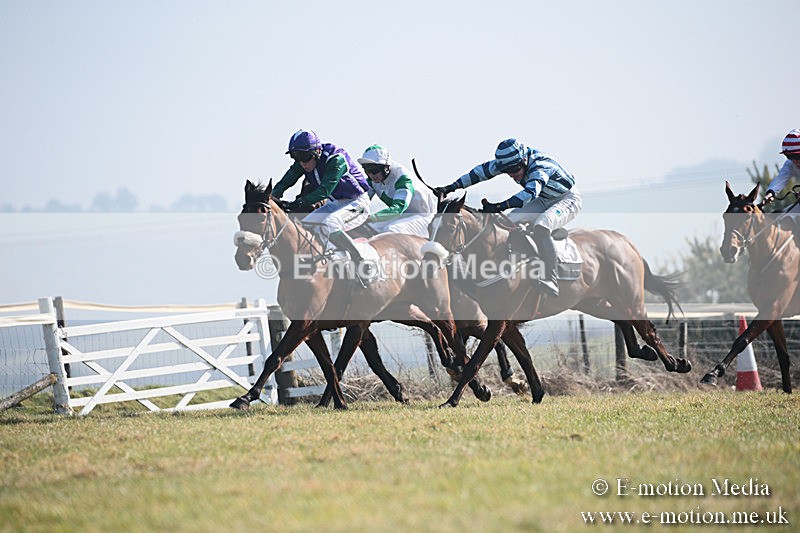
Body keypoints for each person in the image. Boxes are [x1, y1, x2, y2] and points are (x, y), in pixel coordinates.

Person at [433, 138, 581, 297]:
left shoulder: (541, 167)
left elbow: (529, 194)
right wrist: (450, 187)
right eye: (507, 171)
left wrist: (499, 206)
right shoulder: (509, 161)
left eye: (515, 170)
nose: (512, 174)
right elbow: (478, 174)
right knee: (508, 222)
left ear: (524, 160)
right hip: (543, 199)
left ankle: (551, 278)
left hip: (566, 200)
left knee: (542, 226)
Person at [271, 130, 374, 276]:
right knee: (306, 225)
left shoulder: (336, 160)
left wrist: (296, 204)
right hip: (336, 203)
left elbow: (323, 191)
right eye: (296, 158)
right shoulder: (304, 161)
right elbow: (287, 180)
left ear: (317, 152)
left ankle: (360, 260)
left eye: (305, 157)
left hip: (357, 203)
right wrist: (272, 196)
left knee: (330, 223)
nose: (302, 163)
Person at [358, 144, 437, 238]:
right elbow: (360, 201)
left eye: (374, 170)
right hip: (404, 216)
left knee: (391, 230)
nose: (371, 175)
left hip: (426, 218)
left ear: (386, 167)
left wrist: (370, 217)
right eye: (367, 171)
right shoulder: (372, 180)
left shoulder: (403, 179)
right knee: (367, 228)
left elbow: (397, 209)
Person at [763, 129, 800, 219]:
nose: (795, 161)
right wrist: (770, 194)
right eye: (790, 157)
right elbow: (780, 179)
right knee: (781, 218)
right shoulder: (790, 164)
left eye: (797, 156)